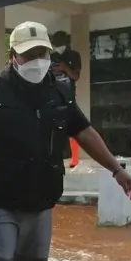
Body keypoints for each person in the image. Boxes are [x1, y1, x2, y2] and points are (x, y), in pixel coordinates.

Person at [0, 21, 131, 261]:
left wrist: (116, 169)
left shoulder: (59, 93)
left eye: (41, 54)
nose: (36, 61)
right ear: (13, 57)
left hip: (40, 202)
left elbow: (84, 132)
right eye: (28, 54)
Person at [50, 30, 83, 168]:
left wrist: (65, 68)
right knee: (54, 126)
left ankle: (75, 158)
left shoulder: (73, 55)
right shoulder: (50, 56)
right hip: (51, 95)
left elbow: (76, 76)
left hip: (68, 94)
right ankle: (54, 156)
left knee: (73, 125)